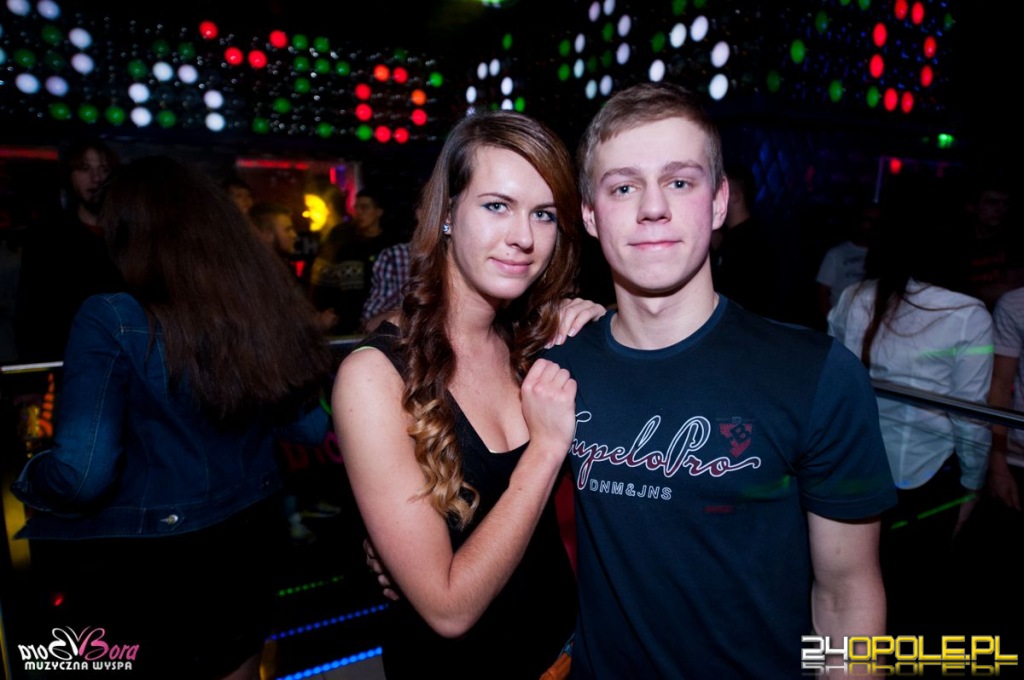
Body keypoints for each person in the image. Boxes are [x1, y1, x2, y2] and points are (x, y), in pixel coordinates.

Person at [542, 83, 896, 678]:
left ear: (718, 201)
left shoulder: (815, 373)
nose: (653, 207)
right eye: (623, 187)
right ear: (590, 215)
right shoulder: (558, 365)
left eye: (680, 181)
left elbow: (846, 594)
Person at [11, 156, 334, 679]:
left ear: (129, 231)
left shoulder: (112, 317)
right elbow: (310, 428)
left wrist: (28, 478)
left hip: (158, 559)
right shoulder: (255, 309)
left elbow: (83, 474)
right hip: (253, 534)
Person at [332, 111, 598, 679]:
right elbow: (448, 608)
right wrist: (546, 449)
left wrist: (598, 327)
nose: (524, 237)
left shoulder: (533, 340)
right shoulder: (374, 377)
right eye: (497, 205)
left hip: (567, 653)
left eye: (544, 214)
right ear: (448, 213)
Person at [828, 187, 993, 636]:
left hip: (856, 472)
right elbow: (970, 418)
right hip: (927, 480)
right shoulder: (967, 314)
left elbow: (831, 391)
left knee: (848, 597)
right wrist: (973, 485)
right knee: (909, 603)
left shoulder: (854, 297)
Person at [13, 138, 124, 361]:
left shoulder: (128, 236)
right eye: (85, 168)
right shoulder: (48, 237)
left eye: (104, 169)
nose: (96, 177)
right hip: (68, 358)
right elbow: (32, 310)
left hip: (123, 358)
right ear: (69, 176)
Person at [310, 188, 395, 334]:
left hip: (377, 323)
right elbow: (323, 279)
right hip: (343, 323)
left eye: (365, 207)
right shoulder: (345, 240)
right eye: (356, 207)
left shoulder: (390, 245)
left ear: (378, 212)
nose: (359, 212)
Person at [816, 201, 878, 318]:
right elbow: (822, 292)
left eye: (877, 221)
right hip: (842, 320)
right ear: (858, 221)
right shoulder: (836, 254)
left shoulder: (884, 256)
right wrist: (830, 321)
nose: (872, 225)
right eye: (868, 219)